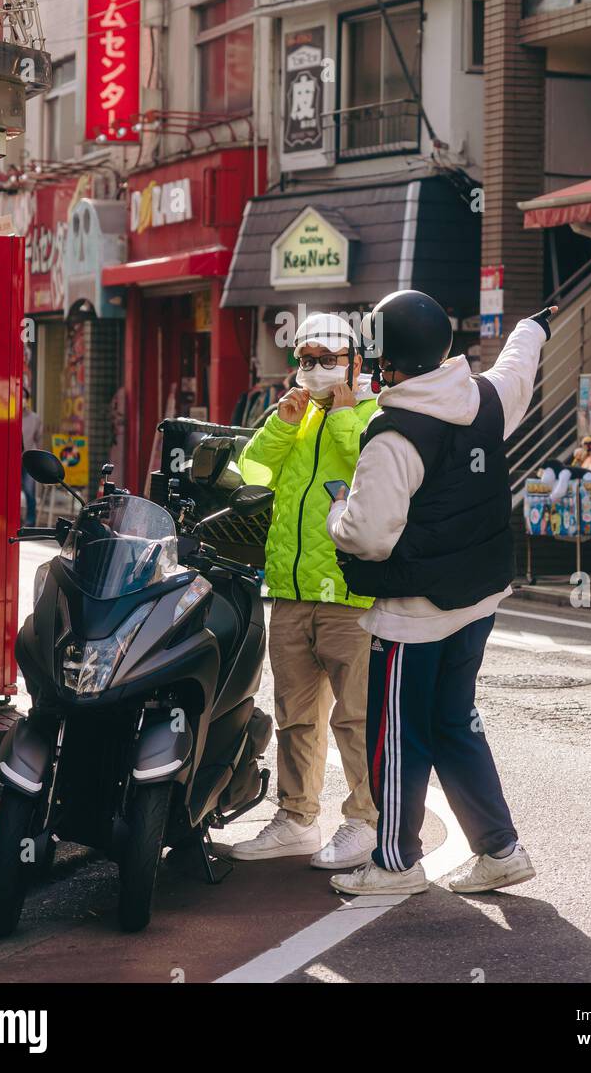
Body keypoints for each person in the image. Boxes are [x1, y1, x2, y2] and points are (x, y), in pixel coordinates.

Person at [324, 290, 557, 897]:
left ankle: (397, 863)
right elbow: (514, 370)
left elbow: (369, 539)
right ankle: (500, 850)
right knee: (456, 723)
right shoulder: (482, 400)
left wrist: (337, 512)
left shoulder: (393, 434)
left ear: (386, 361)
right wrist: (531, 330)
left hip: (412, 615)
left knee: (399, 735)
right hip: (478, 603)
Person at [233, 313, 380, 868]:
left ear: (355, 363)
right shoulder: (293, 417)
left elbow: (369, 472)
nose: (314, 370)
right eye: (306, 360)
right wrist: (279, 425)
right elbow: (252, 475)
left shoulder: (372, 413)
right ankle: (296, 818)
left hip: (350, 592)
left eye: (327, 360)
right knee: (294, 713)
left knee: (357, 716)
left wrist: (341, 415)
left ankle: (365, 820)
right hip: (291, 589)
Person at [21, 385, 44, 527]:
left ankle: (30, 521)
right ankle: (14, 519)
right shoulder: (10, 415)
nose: (22, 400)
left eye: (24, 397)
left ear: (27, 400)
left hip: (28, 460)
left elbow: (39, 439)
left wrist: (39, 460)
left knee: (30, 491)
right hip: (12, 460)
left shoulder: (35, 418)